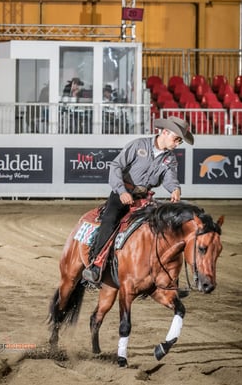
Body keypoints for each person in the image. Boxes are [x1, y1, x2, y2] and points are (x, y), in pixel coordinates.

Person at [82, 115, 195, 285]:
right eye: (176, 139)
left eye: (180, 141)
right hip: (122, 193)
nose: (177, 144)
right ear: (164, 132)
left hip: (144, 197)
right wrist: (121, 191)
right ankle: (96, 264)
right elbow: (116, 166)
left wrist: (175, 189)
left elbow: (170, 179)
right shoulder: (138, 145)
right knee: (110, 219)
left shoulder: (170, 158)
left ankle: (162, 272)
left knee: (160, 225)